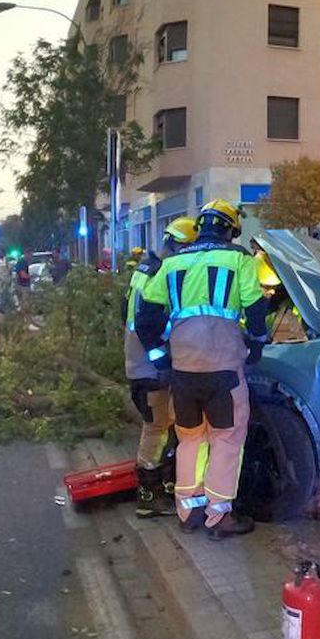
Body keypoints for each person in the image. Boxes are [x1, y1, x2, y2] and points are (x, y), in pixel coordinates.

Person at [135, 199, 268, 539]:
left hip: (183, 371)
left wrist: (159, 357)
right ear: (229, 229)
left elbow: (145, 316)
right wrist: (255, 347)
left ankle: (188, 511)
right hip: (224, 369)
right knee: (226, 439)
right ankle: (219, 516)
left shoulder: (173, 262)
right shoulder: (239, 259)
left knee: (190, 439)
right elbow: (255, 310)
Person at [122, 217, 197, 518]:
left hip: (139, 362)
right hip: (148, 369)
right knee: (155, 427)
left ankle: (165, 483)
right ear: (181, 246)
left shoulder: (145, 268)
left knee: (165, 424)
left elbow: (125, 313)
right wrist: (162, 361)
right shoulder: (161, 273)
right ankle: (148, 496)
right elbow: (147, 324)